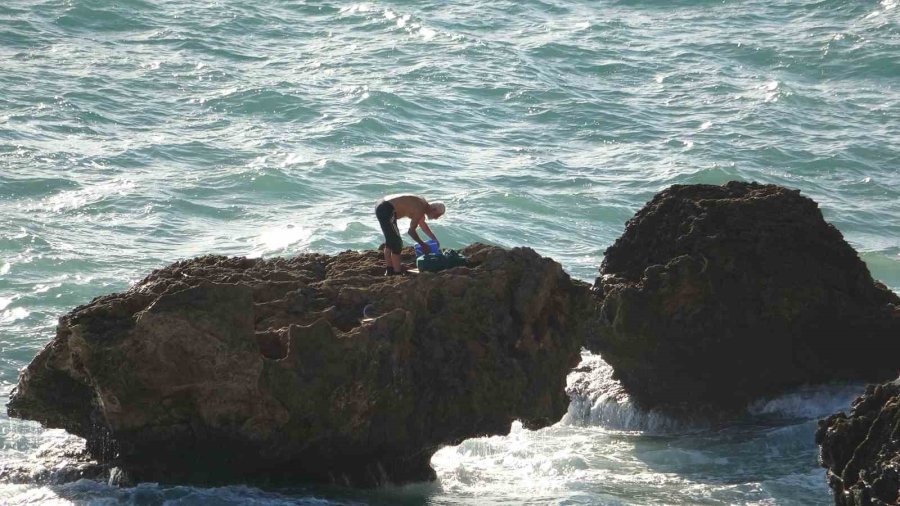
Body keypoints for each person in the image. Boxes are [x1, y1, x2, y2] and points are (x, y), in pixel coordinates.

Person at [375, 194, 445, 275]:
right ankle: (397, 273)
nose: (436, 218)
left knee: (391, 240)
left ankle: (390, 270)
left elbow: (422, 224)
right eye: (437, 215)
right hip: (386, 209)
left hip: (382, 204)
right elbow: (411, 231)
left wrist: (434, 239)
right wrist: (423, 245)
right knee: (397, 243)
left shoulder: (423, 204)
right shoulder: (420, 209)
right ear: (434, 209)